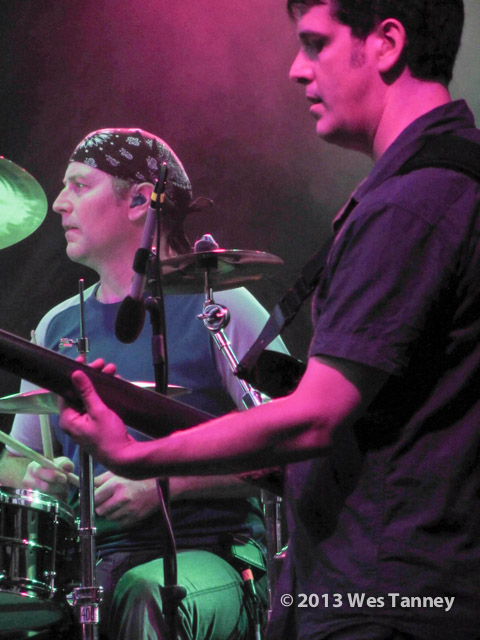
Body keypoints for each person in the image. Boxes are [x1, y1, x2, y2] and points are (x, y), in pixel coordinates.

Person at [56, 1, 480, 639]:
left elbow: (313, 418)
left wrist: (140, 458)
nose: (296, 69)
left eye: (315, 44)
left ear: (387, 42)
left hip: (386, 595)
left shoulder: (408, 207)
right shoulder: (440, 183)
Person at [0, 128, 289, 639]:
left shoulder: (221, 304)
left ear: (139, 200)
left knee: (144, 594)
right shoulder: (55, 326)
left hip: (217, 555)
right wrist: (34, 477)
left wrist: (165, 486)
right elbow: (13, 460)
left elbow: (292, 446)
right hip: (89, 563)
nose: (59, 204)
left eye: (78, 186)